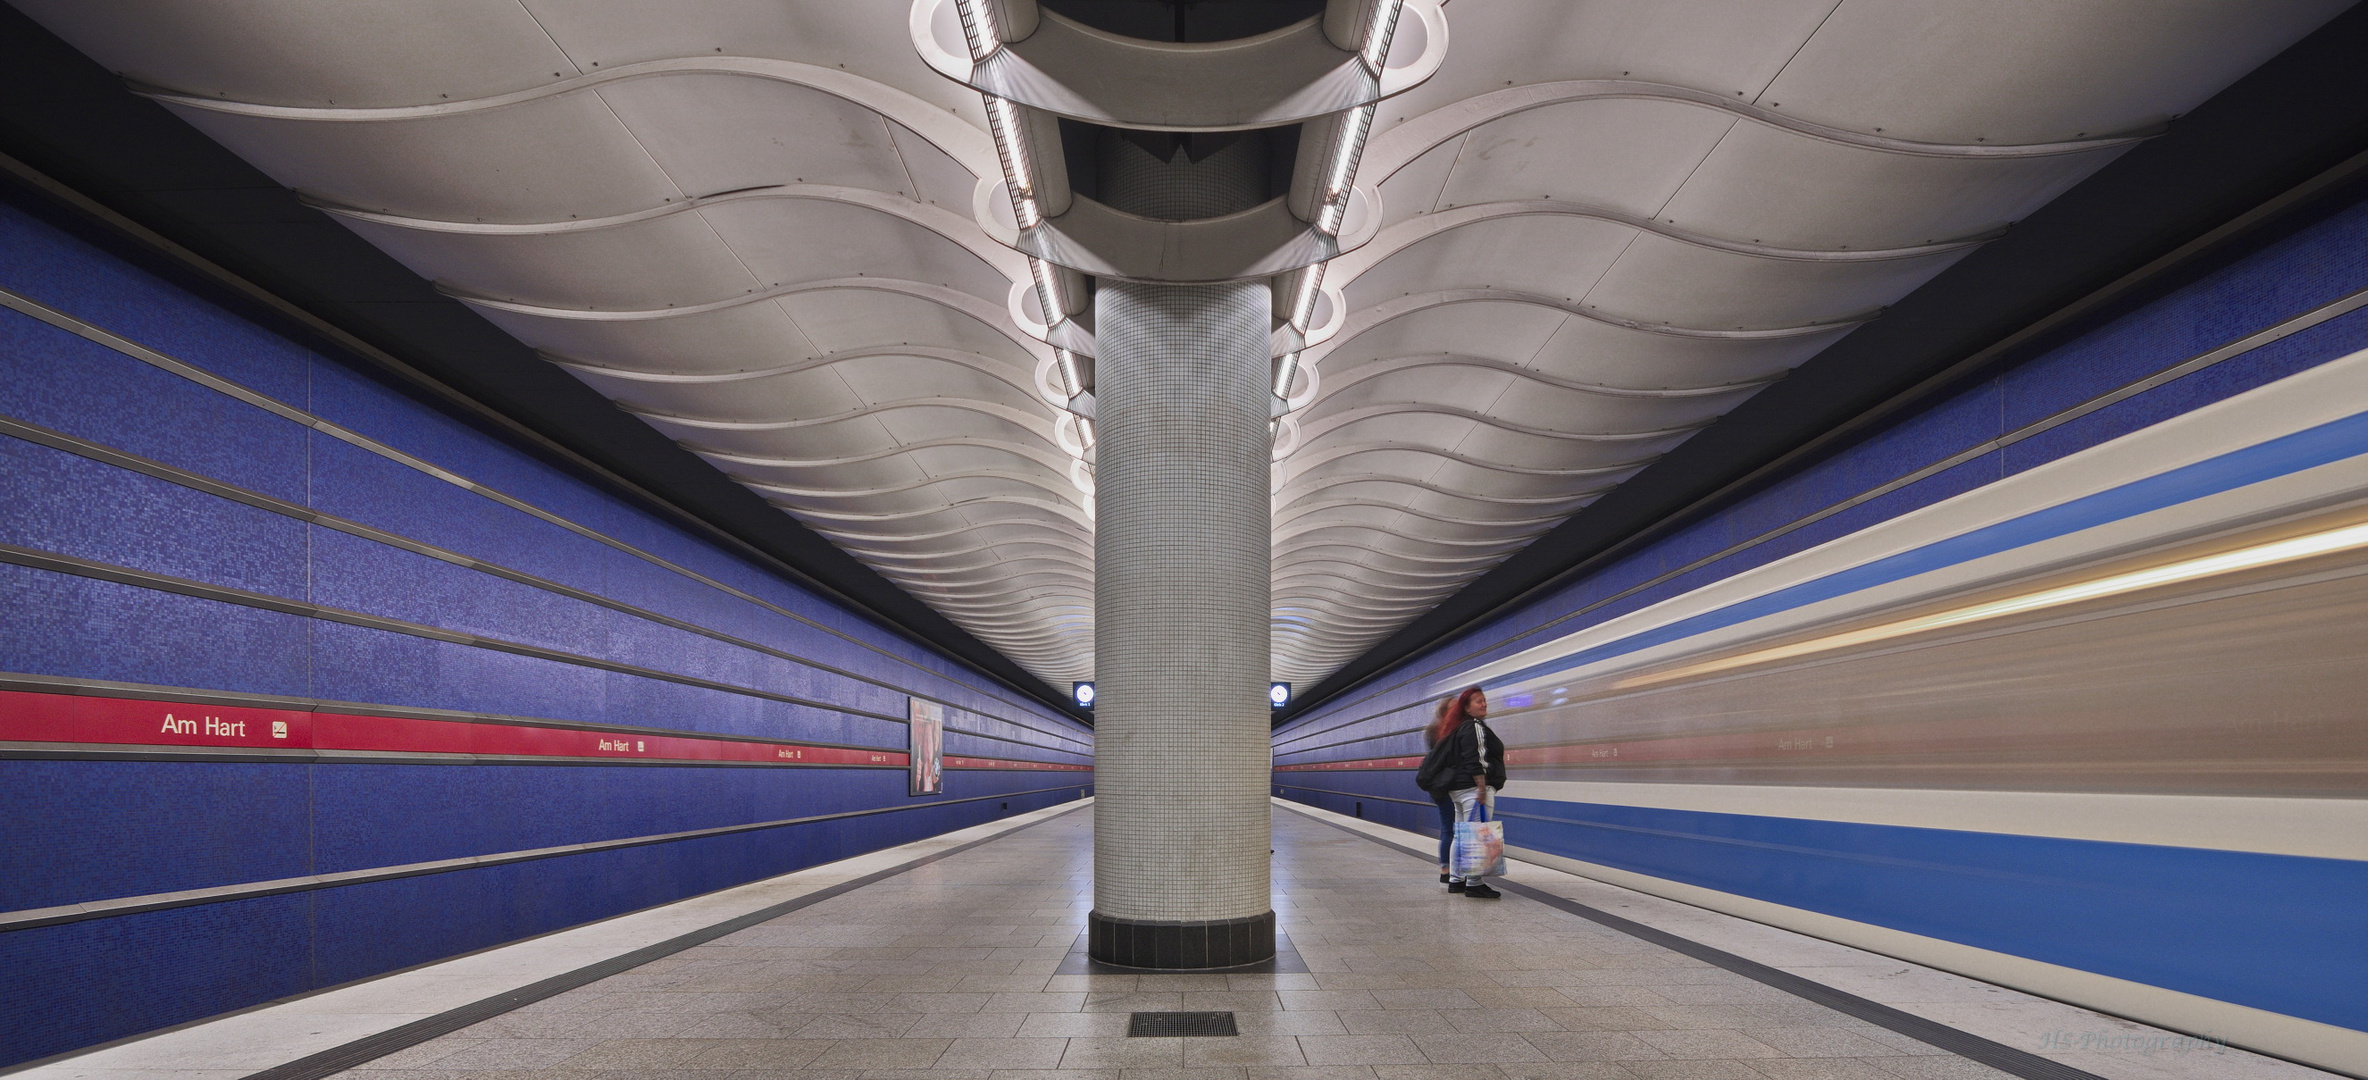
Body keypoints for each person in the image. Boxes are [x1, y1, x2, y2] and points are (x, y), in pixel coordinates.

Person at [1414, 685, 1507, 898]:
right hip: (1474, 789)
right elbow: (1476, 758)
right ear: (1466, 707)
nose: (1483, 704)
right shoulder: (1474, 726)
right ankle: (1474, 883)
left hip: (1459, 790)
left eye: (1484, 700)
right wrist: (1481, 788)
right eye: (1478, 701)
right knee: (1477, 834)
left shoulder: (1458, 727)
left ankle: (1456, 880)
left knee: (1460, 835)